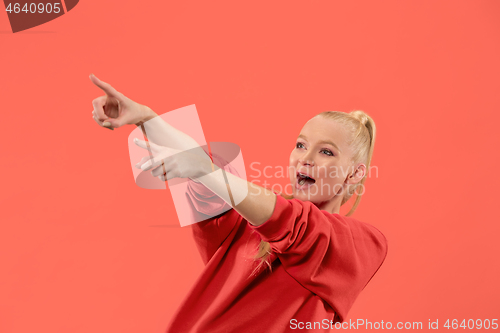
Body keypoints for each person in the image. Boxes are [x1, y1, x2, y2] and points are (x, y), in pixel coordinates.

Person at [90, 74, 389, 332]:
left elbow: (296, 224)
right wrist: (145, 117)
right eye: (300, 145)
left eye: (326, 152)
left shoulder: (363, 245)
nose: (305, 159)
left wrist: (205, 171)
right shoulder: (249, 220)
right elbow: (213, 177)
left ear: (354, 173)